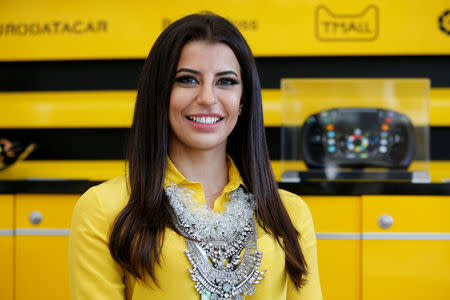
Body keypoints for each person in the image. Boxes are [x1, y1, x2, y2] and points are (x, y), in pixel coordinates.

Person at [68, 13, 322, 300]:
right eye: (187, 79)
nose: (207, 97)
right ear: (159, 93)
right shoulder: (105, 209)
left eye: (225, 81)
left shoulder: (290, 214)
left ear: (243, 101)